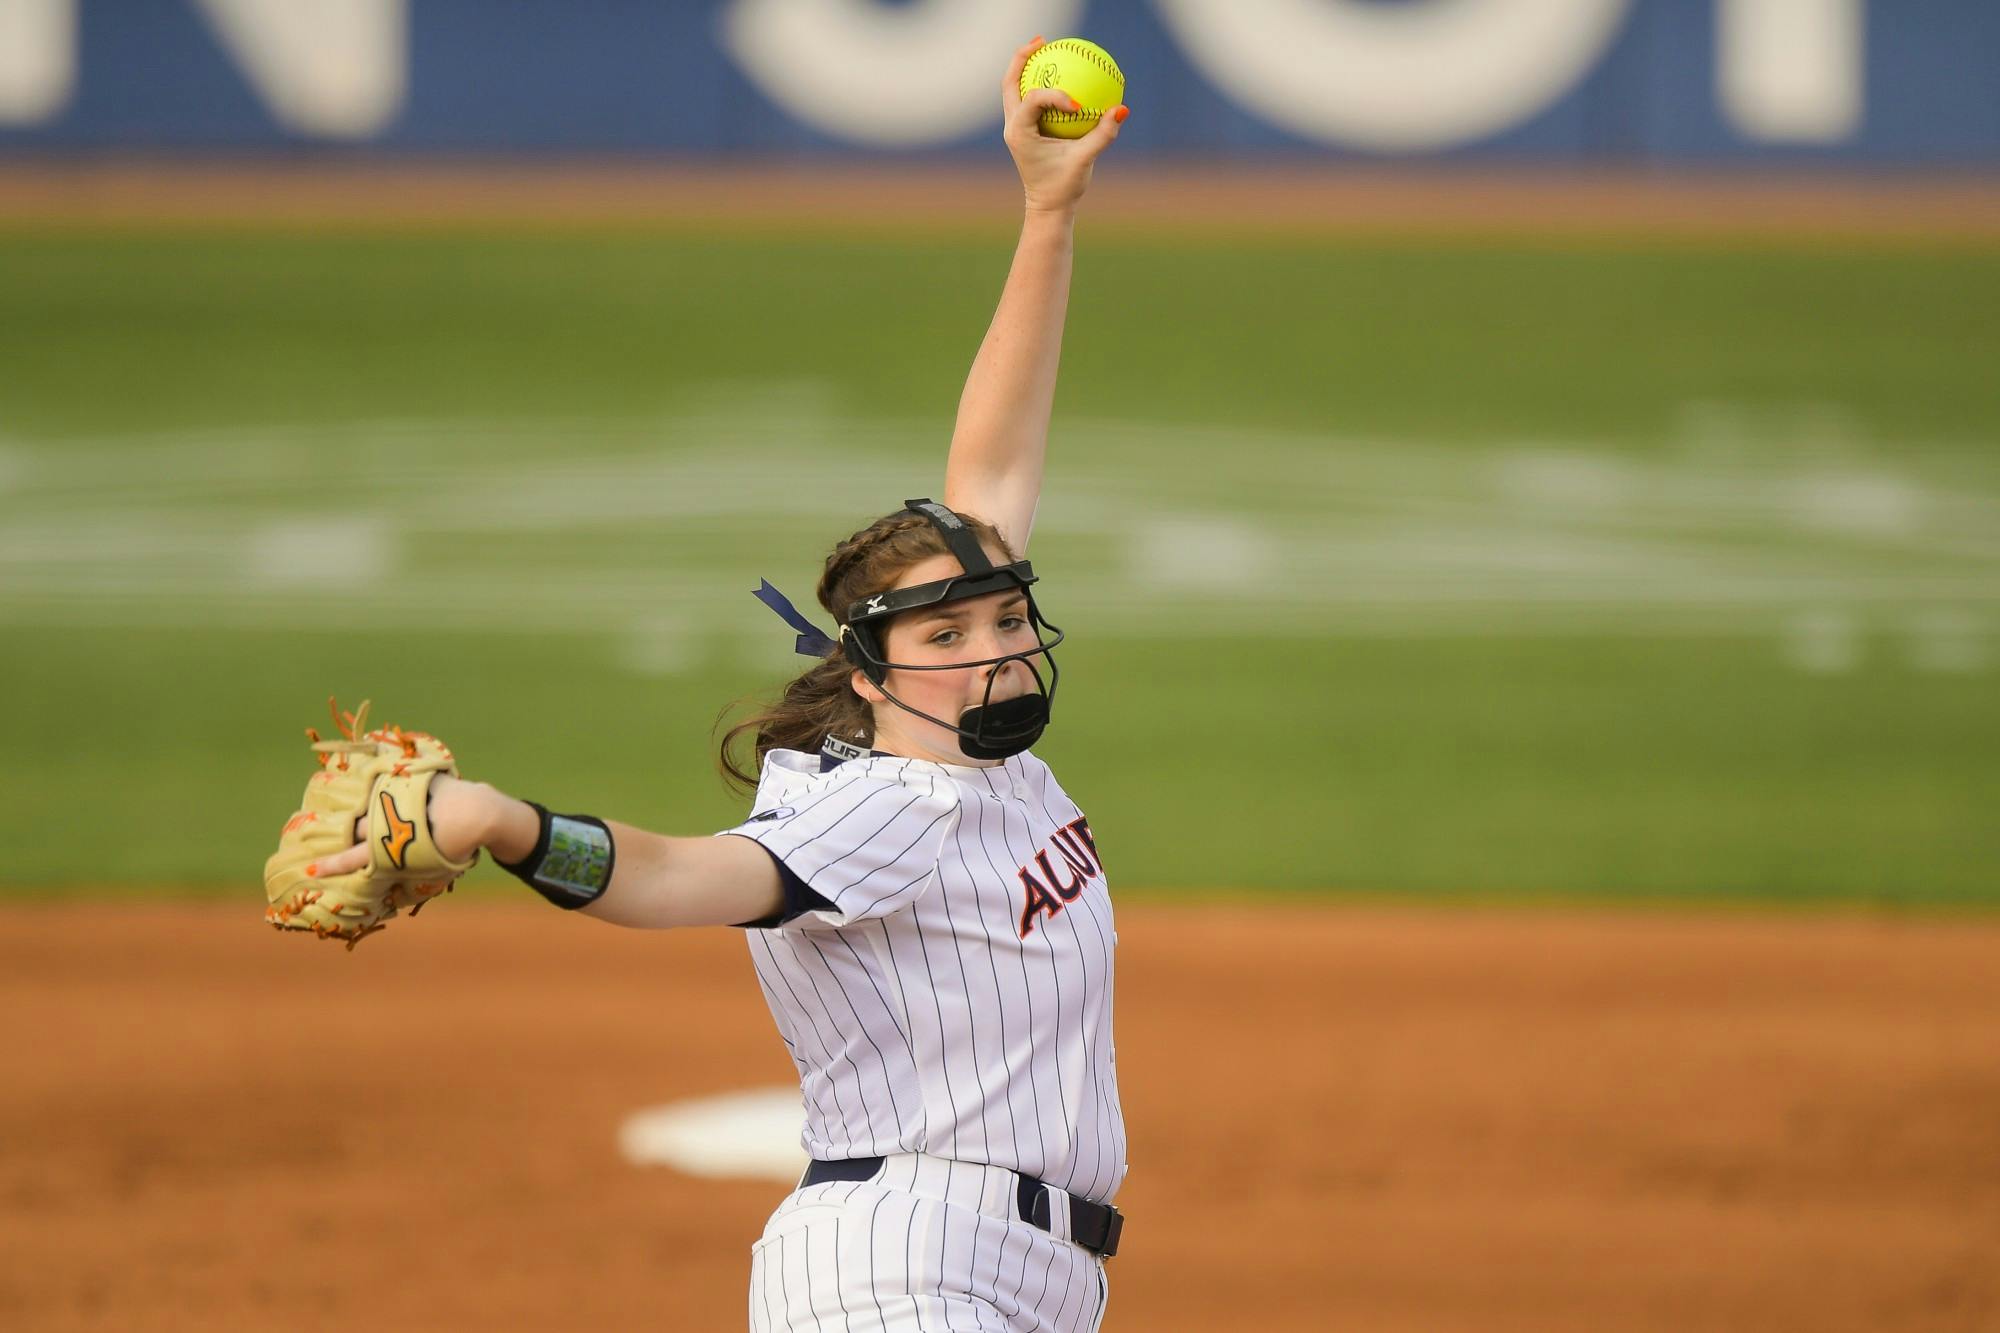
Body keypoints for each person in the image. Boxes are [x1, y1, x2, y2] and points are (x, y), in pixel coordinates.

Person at [308, 38, 1128, 1332]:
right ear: (867, 679)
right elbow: (688, 876)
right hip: (901, 1267)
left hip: (1016, 1277)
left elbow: (993, 462)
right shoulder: (880, 808)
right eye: (946, 636)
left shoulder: (1000, 773)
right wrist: (500, 822)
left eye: (1005, 616)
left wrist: (1046, 212)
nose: (993, 647)